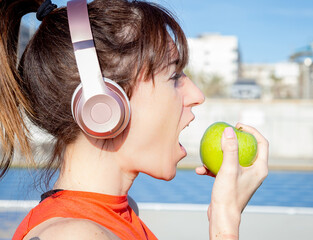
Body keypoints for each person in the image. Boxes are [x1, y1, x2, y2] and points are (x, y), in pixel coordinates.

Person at [0, 0, 269, 239]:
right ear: (103, 106)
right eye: (175, 77)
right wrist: (225, 223)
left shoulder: (119, 216)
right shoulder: (75, 234)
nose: (197, 95)